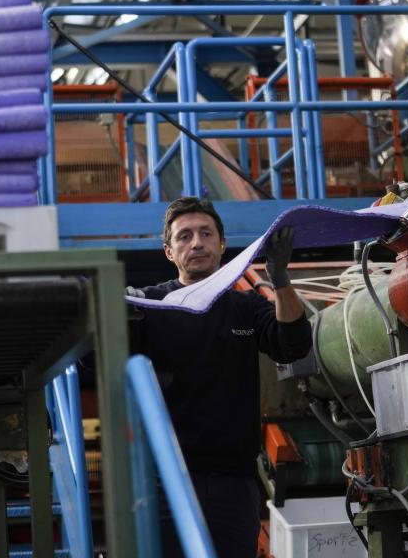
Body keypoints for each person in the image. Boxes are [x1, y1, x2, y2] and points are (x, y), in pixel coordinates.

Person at [127, 196, 312, 558]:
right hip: (166, 482)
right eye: (184, 236)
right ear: (168, 251)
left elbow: (293, 345)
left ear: (222, 245)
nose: (196, 242)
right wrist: (120, 313)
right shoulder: (150, 307)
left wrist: (281, 280)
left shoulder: (246, 306)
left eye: (205, 233)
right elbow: (94, 360)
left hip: (234, 481)